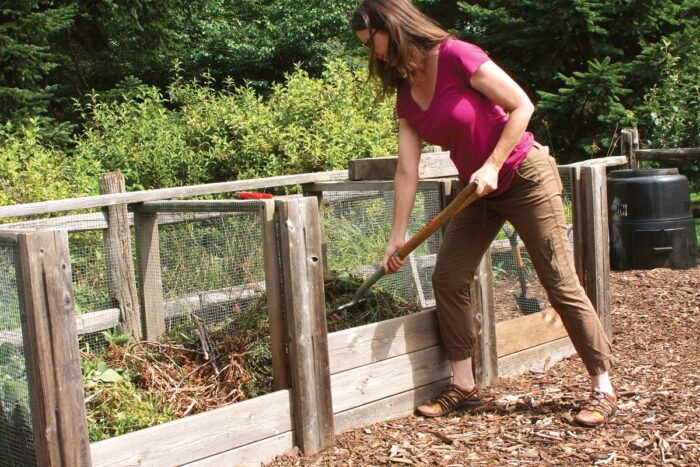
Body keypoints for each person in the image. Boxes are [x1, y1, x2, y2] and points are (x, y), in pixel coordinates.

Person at [350, 0, 616, 427]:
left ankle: (602, 386)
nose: (374, 54)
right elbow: (406, 170)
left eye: (374, 42)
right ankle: (464, 384)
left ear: (393, 25)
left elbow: (521, 106)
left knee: (557, 279)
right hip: (476, 192)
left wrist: (493, 163)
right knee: (448, 277)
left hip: (523, 175)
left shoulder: (456, 55)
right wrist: (395, 236)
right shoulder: (406, 94)